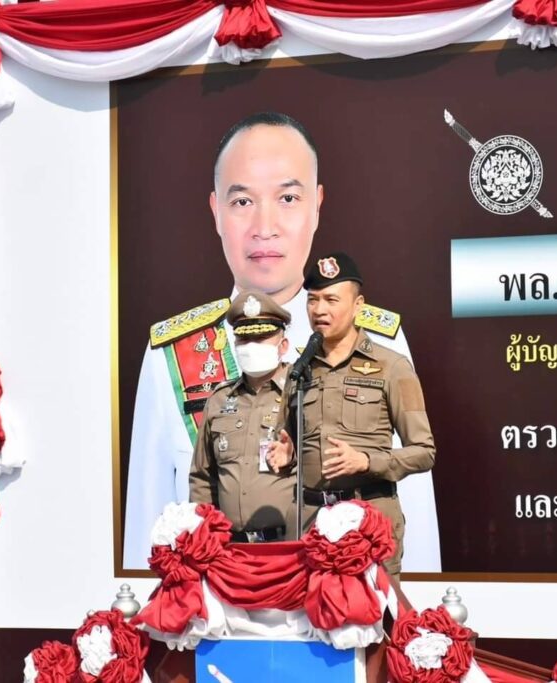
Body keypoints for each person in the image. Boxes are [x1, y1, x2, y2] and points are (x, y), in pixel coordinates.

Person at [123, 113, 441, 571]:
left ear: (317, 206)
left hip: (344, 605)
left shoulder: (376, 340)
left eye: (288, 198)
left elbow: (412, 513)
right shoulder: (173, 356)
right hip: (221, 608)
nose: (264, 226)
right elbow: (149, 535)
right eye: (242, 202)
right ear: (216, 212)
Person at [268, 252, 436, 577]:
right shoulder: (298, 371)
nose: (319, 310)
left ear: (358, 305)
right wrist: (286, 456)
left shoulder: (393, 367)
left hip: (368, 521)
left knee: (371, 610)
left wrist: (367, 461)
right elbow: (284, 444)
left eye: (331, 300)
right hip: (310, 524)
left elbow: (424, 452)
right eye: (312, 300)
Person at [188, 291, 294, 541]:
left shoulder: (301, 393)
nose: (252, 346)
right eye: (244, 339)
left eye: (261, 338)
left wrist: (295, 455)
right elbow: (203, 477)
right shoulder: (220, 398)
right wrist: (205, 536)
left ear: (283, 346)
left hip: (287, 545)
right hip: (230, 546)